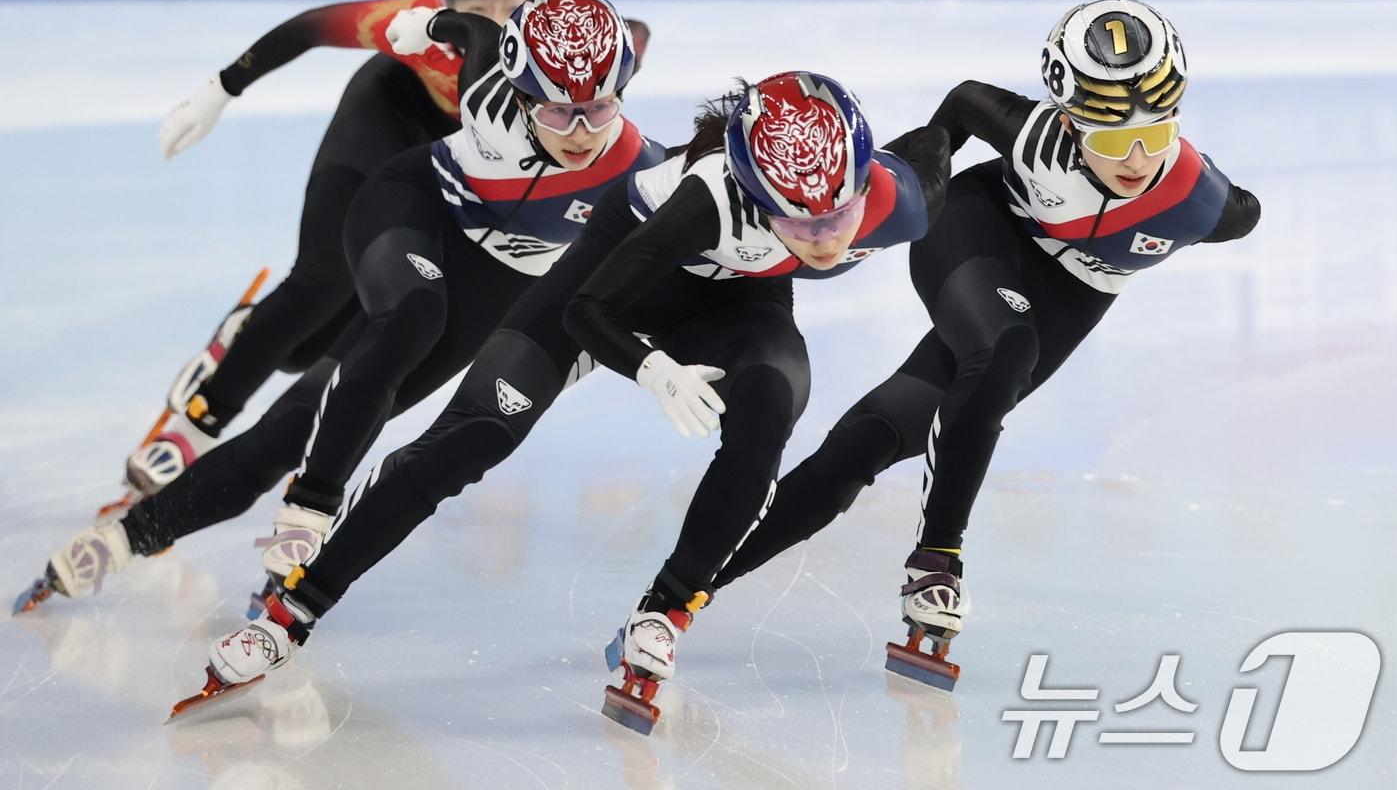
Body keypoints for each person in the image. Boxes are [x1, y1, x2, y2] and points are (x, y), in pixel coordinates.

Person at [173, 72, 951, 729]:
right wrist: (652, 370)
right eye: (797, 218)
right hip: (603, 292)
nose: (824, 239)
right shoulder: (704, 199)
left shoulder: (900, 199)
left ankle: (664, 614)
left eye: (840, 213)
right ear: (750, 190)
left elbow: (963, 114)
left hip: (736, 313)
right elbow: (589, 311)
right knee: (468, 439)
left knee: (769, 415)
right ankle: (290, 614)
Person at [25, 0, 665, 617]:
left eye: (598, 109)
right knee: (411, 315)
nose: (580, 131)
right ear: (520, 95)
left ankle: (121, 541)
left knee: (292, 430)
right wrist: (431, 27)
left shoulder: (641, 172)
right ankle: (313, 501)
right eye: (556, 112)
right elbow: (472, 32)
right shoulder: (488, 85)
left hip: (494, 281)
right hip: (414, 207)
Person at [706, 0, 1261, 690]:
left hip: (1069, 299)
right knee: (1006, 347)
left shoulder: (1200, 199)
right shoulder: (1036, 137)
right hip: (977, 233)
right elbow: (964, 102)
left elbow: (1247, 213)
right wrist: (923, 183)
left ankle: (689, 588)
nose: (1139, 158)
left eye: (1157, 133)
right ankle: (938, 559)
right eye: (1115, 141)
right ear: (1067, 119)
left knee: (869, 442)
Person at [125, 0, 645, 493]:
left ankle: (249, 330)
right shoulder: (407, 22)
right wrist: (221, 87)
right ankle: (201, 420)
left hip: (462, 159)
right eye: (477, 6)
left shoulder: (574, 41)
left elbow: (628, 57)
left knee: (323, 342)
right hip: (389, 116)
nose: (499, 21)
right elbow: (308, 28)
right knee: (323, 279)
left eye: (516, 2)